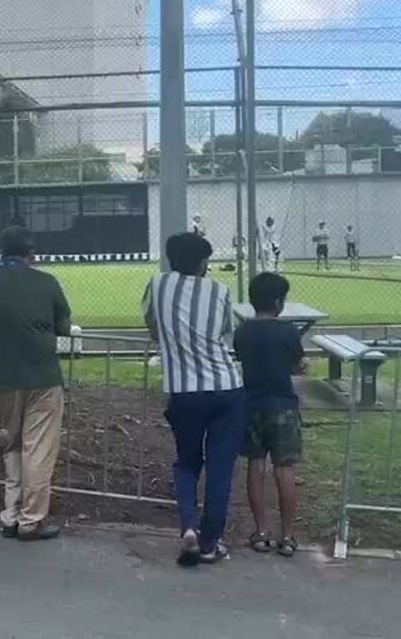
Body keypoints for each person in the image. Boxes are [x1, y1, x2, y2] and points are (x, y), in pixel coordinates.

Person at [142, 232, 244, 567]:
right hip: (226, 387)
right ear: (202, 263)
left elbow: (152, 327)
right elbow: (223, 332)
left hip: (183, 390)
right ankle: (211, 543)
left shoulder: (157, 285)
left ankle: (188, 526)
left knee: (186, 462)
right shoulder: (219, 291)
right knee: (220, 468)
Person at [0, 226, 73, 542]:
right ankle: (31, 519)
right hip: (42, 376)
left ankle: (10, 514)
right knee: (37, 447)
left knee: (11, 442)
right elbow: (64, 326)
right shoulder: (46, 282)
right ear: (31, 254)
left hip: (1, 377)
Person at [234, 272, 306, 559]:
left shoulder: (242, 332)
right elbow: (296, 364)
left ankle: (261, 530)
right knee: (284, 469)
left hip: (251, 405)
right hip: (283, 406)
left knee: (255, 465)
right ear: (278, 301)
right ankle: (287, 535)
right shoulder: (289, 332)